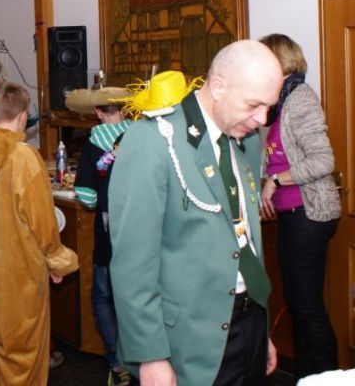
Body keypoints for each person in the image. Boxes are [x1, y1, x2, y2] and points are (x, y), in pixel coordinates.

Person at [108, 41, 284, 386]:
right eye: (253, 105)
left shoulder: (245, 140)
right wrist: (150, 355)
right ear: (218, 87)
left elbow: (243, 236)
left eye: (269, 107)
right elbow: (133, 263)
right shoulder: (154, 140)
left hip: (248, 321)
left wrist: (260, 332)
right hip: (187, 340)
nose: (262, 120)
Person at [0, 81, 79, 385]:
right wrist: (57, 260)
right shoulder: (24, 158)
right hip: (20, 274)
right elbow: (41, 220)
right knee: (22, 356)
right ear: (23, 116)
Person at [259, 33, 341, 378]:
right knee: (298, 305)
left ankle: (326, 379)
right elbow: (280, 155)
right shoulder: (281, 101)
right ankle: (310, 378)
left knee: (307, 308)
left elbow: (323, 160)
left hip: (309, 214)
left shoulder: (300, 98)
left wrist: (275, 181)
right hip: (293, 215)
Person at [70, 85, 132, 386]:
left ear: (98, 112)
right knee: (135, 295)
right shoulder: (142, 135)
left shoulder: (94, 143)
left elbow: (86, 196)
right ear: (125, 110)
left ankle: (117, 363)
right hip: (143, 228)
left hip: (110, 230)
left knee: (104, 296)